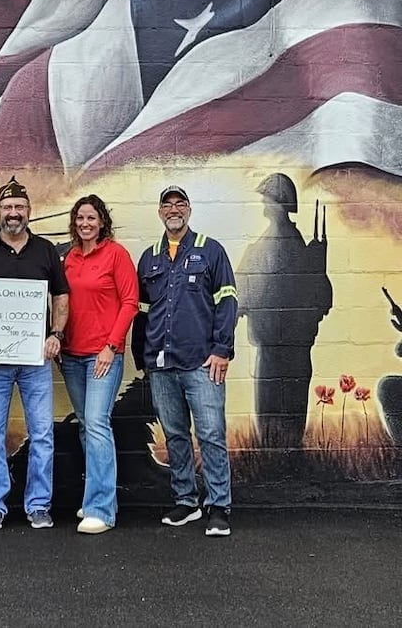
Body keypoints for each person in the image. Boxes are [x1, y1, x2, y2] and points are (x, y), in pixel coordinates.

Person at [0, 176, 69, 530]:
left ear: (28, 212)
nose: (13, 213)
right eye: (7, 208)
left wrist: (56, 333)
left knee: (42, 434)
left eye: (19, 208)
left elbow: (60, 296)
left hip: (35, 357)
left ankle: (38, 504)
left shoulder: (45, 250)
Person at [132, 186, 237, 537]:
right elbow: (143, 313)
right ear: (160, 212)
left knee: (210, 434)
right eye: (167, 204)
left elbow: (227, 302)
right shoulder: (150, 258)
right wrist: (143, 358)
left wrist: (222, 349)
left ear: (189, 210)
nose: (173, 209)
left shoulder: (210, 250)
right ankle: (186, 501)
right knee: (175, 434)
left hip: (202, 363)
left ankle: (219, 505)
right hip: (161, 365)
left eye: (180, 204)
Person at [236, 173, 332, 448]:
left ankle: (282, 461)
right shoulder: (277, 247)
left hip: (284, 348)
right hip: (278, 346)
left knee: (281, 412)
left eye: (268, 200)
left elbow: (322, 297)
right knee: (277, 414)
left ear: (279, 204)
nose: (264, 206)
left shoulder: (282, 248)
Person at [61, 195, 138, 535]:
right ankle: (93, 496)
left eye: (91, 218)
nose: (85, 224)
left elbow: (130, 302)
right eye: (80, 218)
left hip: (103, 355)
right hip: (72, 355)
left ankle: (102, 509)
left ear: (102, 221)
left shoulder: (116, 254)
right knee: (85, 426)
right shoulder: (69, 258)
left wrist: (111, 346)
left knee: (96, 423)